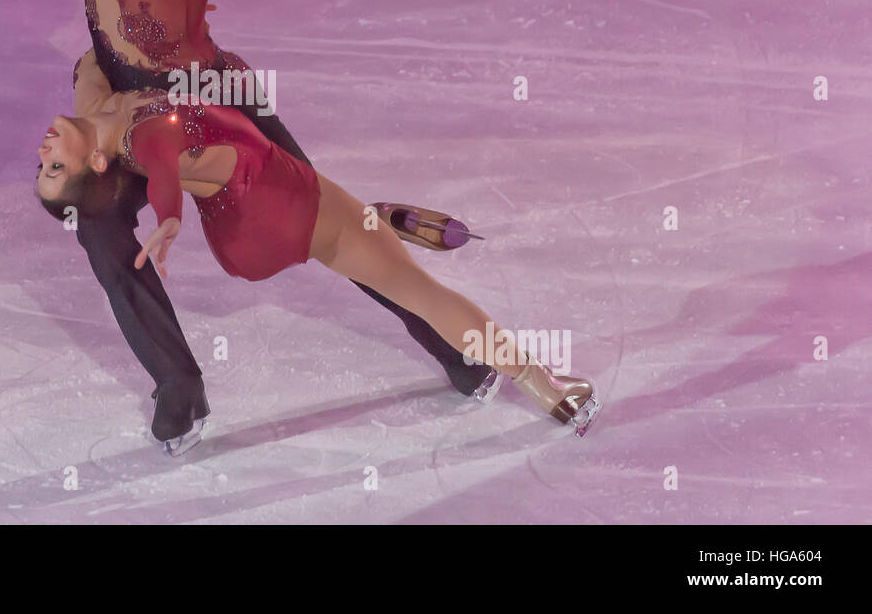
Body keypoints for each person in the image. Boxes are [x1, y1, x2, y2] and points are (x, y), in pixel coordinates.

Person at [67, 0, 496, 447]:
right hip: (132, 111)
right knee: (98, 226)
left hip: (216, 104)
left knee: (333, 229)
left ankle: (454, 349)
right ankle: (179, 387)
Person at [36, 71, 602, 454]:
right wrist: (168, 217)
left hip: (243, 224)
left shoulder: (98, 101)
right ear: (99, 162)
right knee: (419, 289)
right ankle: (544, 385)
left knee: (360, 236)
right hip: (276, 206)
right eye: (54, 169)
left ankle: (371, 223)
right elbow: (162, 163)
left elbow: (95, 51)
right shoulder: (139, 137)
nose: (42, 153)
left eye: (45, 166)